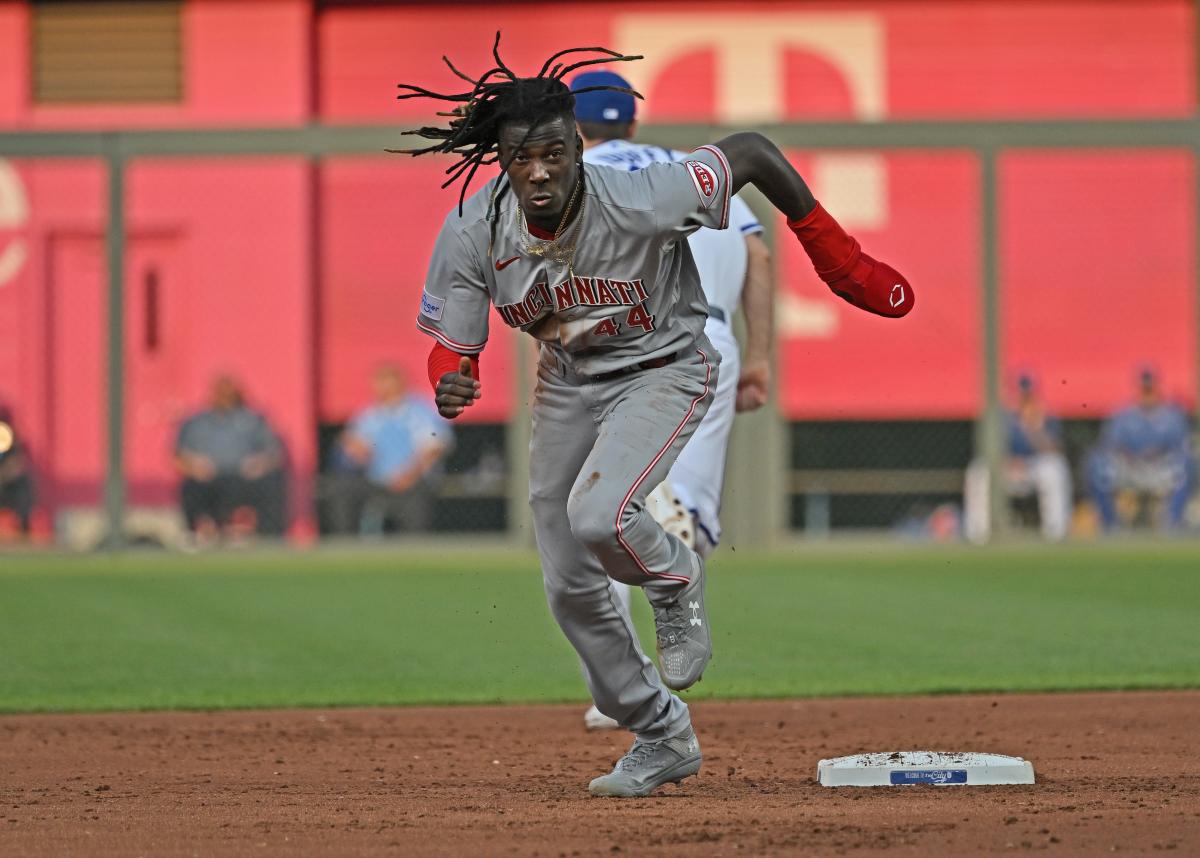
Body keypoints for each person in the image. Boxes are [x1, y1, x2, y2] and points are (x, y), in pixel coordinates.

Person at [398, 37, 912, 798]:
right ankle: (661, 734)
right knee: (570, 586)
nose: (537, 171)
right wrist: (453, 379)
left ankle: (675, 580)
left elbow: (754, 152)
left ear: (577, 147)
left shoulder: (643, 194)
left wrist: (839, 258)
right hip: (568, 383)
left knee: (601, 516)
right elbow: (452, 347)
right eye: (519, 157)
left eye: (551, 153)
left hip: (665, 367)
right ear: (502, 160)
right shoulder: (475, 229)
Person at [569, 69, 773, 731]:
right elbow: (757, 254)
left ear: (574, 129)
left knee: (598, 506)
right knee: (684, 518)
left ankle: (627, 687)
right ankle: (672, 532)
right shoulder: (696, 168)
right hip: (713, 338)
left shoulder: (576, 177)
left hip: (625, 343)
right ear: (631, 121)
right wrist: (760, 354)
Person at [323, 364, 453, 535]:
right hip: (377, 480)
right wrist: (353, 448)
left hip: (413, 480)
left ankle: (417, 549)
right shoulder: (370, 414)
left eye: (385, 384)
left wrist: (408, 475)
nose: (379, 390)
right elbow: (355, 443)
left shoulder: (420, 411)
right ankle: (346, 545)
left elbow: (434, 448)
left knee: (416, 502)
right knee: (341, 488)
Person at [174, 375, 286, 543]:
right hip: (208, 479)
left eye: (229, 391)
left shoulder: (252, 420)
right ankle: (192, 536)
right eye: (221, 391)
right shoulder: (196, 422)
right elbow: (178, 455)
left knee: (272, 482)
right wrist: (194, 466)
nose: (225, 395)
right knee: (190, 487)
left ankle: (270, 538)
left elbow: (274, 453)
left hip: (244, 478)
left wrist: (260, 463)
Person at [963, 374, 1073, 543]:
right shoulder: (1000, 416)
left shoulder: (1046, 415)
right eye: (1020, 393)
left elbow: (1054, 451)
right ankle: (978, 534)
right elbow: (986, 449)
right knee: (978, 471)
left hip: (1033, 467)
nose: (1023, 398)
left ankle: (1056, 532)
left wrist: (1034, 428)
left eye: (1027, 393)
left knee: (1054, 468)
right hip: (1005, 467)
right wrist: (1006, 461)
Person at [1086, 368, 1195, 531]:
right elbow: (1109, 445)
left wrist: (1159, 452)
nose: (1147, 393)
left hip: (1160, 468)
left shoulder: (1172, 416)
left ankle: (1173, 522)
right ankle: (1110, 524)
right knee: (1097, 465)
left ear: (1157, 388)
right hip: (1130, 467)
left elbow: (1182, 447)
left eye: (1150, 388)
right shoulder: (1123, 415)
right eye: (1144, 389)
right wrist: (1128, 454)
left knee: (1186, 464)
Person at [0, 404, 34, 540]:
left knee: (23, 485)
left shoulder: (7, 437)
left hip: (6, 486)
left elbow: (17, 464)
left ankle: (23, 528)